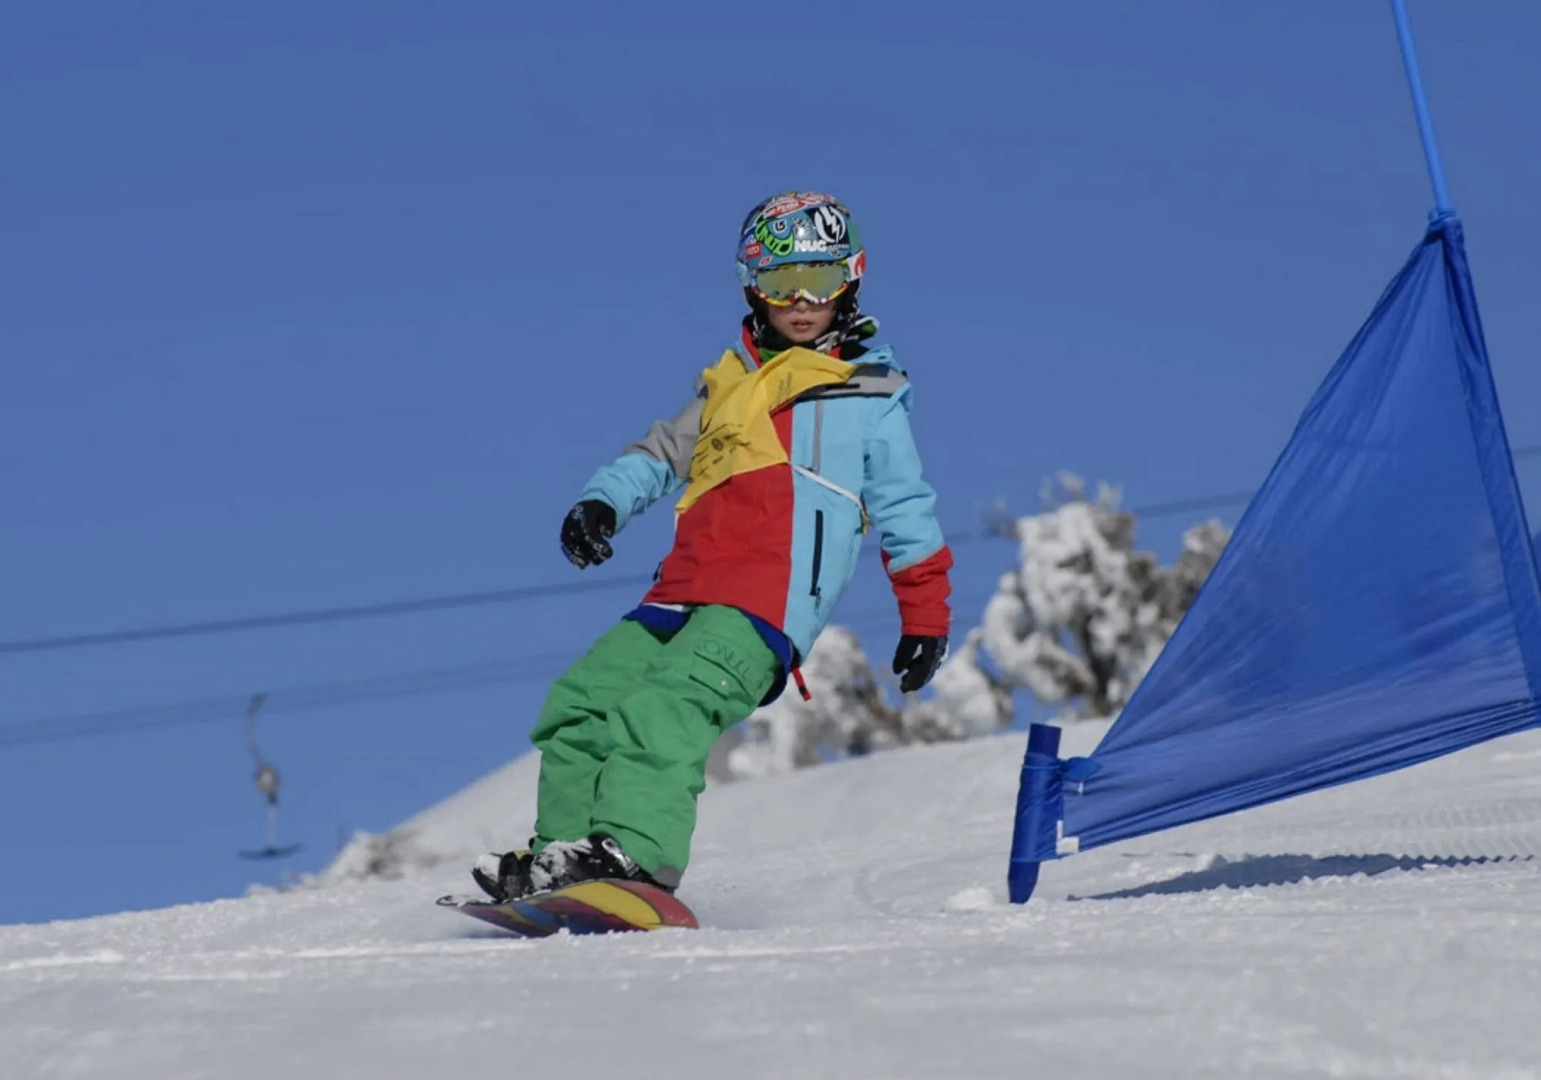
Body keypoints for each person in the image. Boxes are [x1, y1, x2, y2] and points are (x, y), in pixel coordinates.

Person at [473, 192, 954, 901]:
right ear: (751, 287)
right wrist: (602, 502)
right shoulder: (728, 385)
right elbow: (658, 454)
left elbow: (906, 509)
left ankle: (635, 855)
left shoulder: (866, 395)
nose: (801, 301)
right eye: (780, 282)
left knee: (666, 705)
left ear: (849, 282)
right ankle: (561, 858)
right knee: (582, 703)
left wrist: (925, 617)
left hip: (765, 599)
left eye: (819, 281)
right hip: (680, 592)